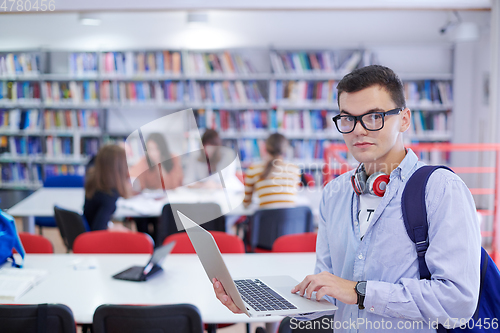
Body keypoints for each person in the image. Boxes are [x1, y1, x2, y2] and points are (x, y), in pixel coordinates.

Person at [212, 65, 481, 332]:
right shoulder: (334, 193)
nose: (358, 130)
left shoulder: (441, 189)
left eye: (374, 116)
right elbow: (330, 295)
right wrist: (263, 303)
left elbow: (458, 303)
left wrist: (360, 292)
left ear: (405, 119)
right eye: (347, 118)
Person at [243, 133, 301, 209]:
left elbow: (246, 203)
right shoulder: (294, 169)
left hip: (265, 219)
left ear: (265, 147)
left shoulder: (254, 169)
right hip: (290, 219)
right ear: (285, 149)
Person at [84, 144, 133, 231]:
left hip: (87, 235)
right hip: (96, 240)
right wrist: (115, 229)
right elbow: (98, 229)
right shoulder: (109, 196)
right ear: (120, 168)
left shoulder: (94, 185)